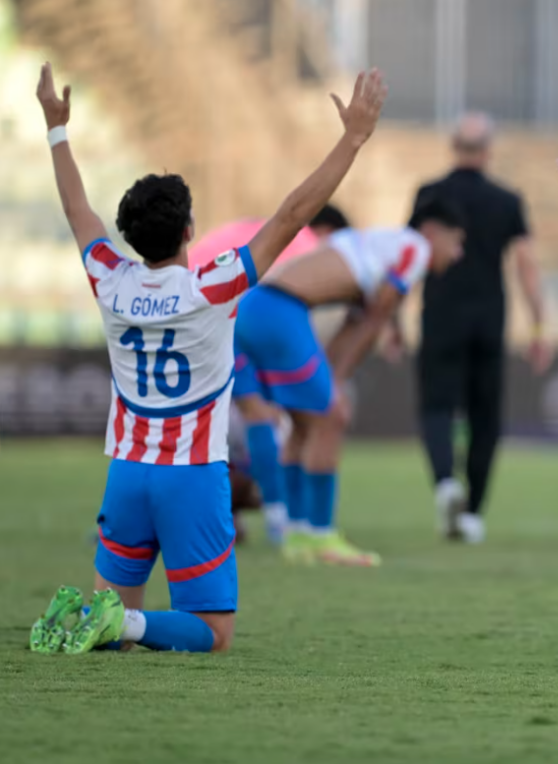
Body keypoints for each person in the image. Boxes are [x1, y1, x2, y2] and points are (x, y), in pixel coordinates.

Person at [27, 64, 387, 654]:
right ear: (190, 228)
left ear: (129, 235)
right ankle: (124, 624)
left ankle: (107, 620)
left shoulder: (110, 279)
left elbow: (77, 210)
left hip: (126, 471)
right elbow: (292, 215)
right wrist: (352, 138)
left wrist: (56, 128)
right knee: (212, 633)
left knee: (111, 616)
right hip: (191, 475)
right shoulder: (212, 288)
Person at [234, 199, 466, 566]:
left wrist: (332, 375)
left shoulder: (376, 246)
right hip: (280, 311)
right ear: (433, 232)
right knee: (332, 416)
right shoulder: (415, 248)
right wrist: (337, 382)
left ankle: (296, 533)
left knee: (304, 424)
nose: (457, 254)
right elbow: (374, 320)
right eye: (456, 242)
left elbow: (356, 322)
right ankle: (321, 536)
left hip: (255, 306)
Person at [412, 112, 550, 544]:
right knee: (484, 417)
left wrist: (392, 317)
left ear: (454, 146)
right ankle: (472, 512)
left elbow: (410, 254)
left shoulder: (429, 194)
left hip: (439, 315)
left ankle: (444, 482)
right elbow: (526, 264)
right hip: (489, 320)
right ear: (489, 151)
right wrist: (538, 326)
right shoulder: (506, 200)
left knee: (436, 407)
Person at [232, 204, 351, 546]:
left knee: (260, 418)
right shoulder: (315, 255)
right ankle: (296, 522)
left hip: (231, 324)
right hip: (259, 324)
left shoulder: (266, 240)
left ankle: (276, 514)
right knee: (308, 420)